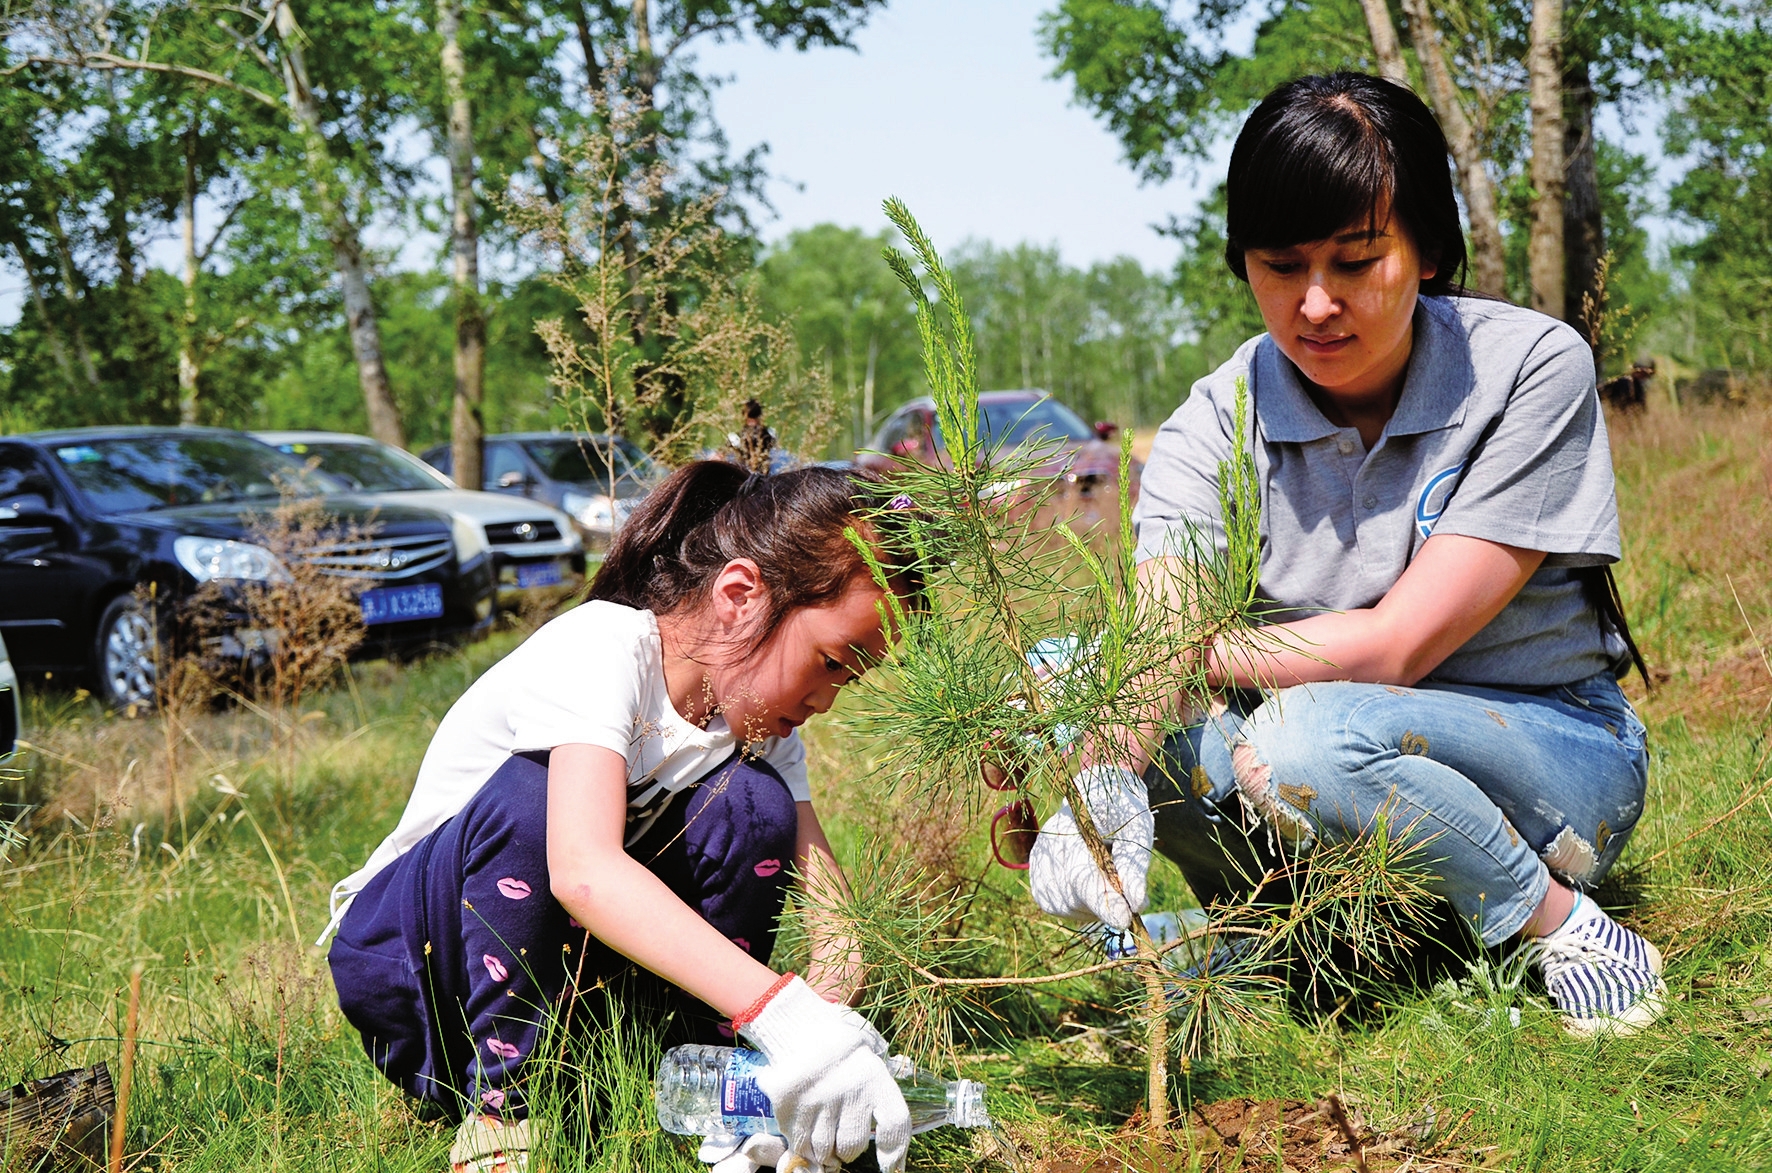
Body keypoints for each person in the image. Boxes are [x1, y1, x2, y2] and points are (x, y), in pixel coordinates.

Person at [1027, 72, 1666, 1038]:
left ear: (1429, 253)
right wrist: (1101, 778)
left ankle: (1562, 922)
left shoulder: (1529, 368)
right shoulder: (1215, 422)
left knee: (1302, 737)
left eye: (1356, 260)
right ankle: (1282, 931)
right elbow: (1161, 614)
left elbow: (1399, 645)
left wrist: (1185, 652)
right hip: (1309, 762)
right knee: (1066, 678)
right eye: (1281, 266)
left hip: (1547, 752)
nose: (1316, 305)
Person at [323, 461, 921, 1173]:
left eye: (850, 679)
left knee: (757, 806)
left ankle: (709, 1089)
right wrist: (781, 1013)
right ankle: (501, 1120)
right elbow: (583, 872)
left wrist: (829, 1031)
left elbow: (832, 907)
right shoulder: (602, 649)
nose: (829, 697)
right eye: (829, 661)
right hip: (414, 968)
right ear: (740, 594)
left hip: (558, 988)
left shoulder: (752, 722)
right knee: (537, 798)